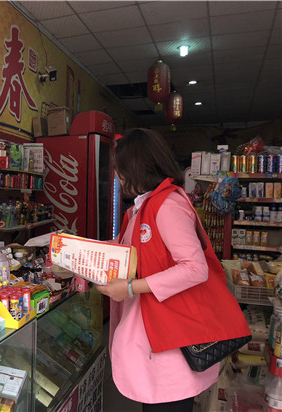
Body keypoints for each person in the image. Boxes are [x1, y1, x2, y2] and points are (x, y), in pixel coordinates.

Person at [96, 128, 250, 412]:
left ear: (135, 167)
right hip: (154, 335)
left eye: (119, 168)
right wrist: (75, 253)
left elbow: (195, 268)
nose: (116, 176)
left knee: (166, 403)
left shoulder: (168, 205)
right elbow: (123, 250)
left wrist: (130, 287)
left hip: (171, 338)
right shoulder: (139, 209)